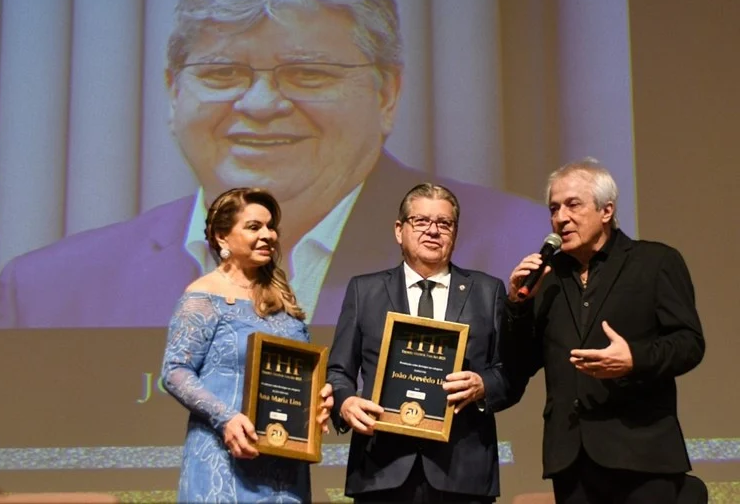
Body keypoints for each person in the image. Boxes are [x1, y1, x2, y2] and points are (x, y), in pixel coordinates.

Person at [0, 0, 546, 329]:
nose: (259, 104)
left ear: (386, 94)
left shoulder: (525, 256)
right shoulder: (46, 292)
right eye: (222, 73)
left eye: (307, 73)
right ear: (174, 93)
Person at [503, 158, 705, 504]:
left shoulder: (655, 262)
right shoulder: (547, 280)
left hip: (642, 453)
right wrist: (518, 305)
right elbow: (520, 363)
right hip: (571, 457)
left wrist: (634, 359)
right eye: (554, 208)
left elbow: (689, 343)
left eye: (573, 205)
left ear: (606, 211)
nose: (560, 218)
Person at [327, 183, 522, 503]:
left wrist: (482, 385)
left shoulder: (488, 292)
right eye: (421, 221)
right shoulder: (365, 291)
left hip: (462, 471)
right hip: (382, 469)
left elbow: (509, 372)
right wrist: (346, 403)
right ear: (399, 230)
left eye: (444, 223)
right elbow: (338, 371)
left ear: (455, 233)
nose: (433, 231)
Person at [160, 187, 334, 503]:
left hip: (284, 467)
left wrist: (318, 404)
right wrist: (225, 418)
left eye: (271, 227)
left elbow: (302, 375)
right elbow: (175, 372)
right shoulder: (203, 296)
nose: (268, 235)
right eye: (254, 227)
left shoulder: (283, 298)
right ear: (221, 237)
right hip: (223, 462)